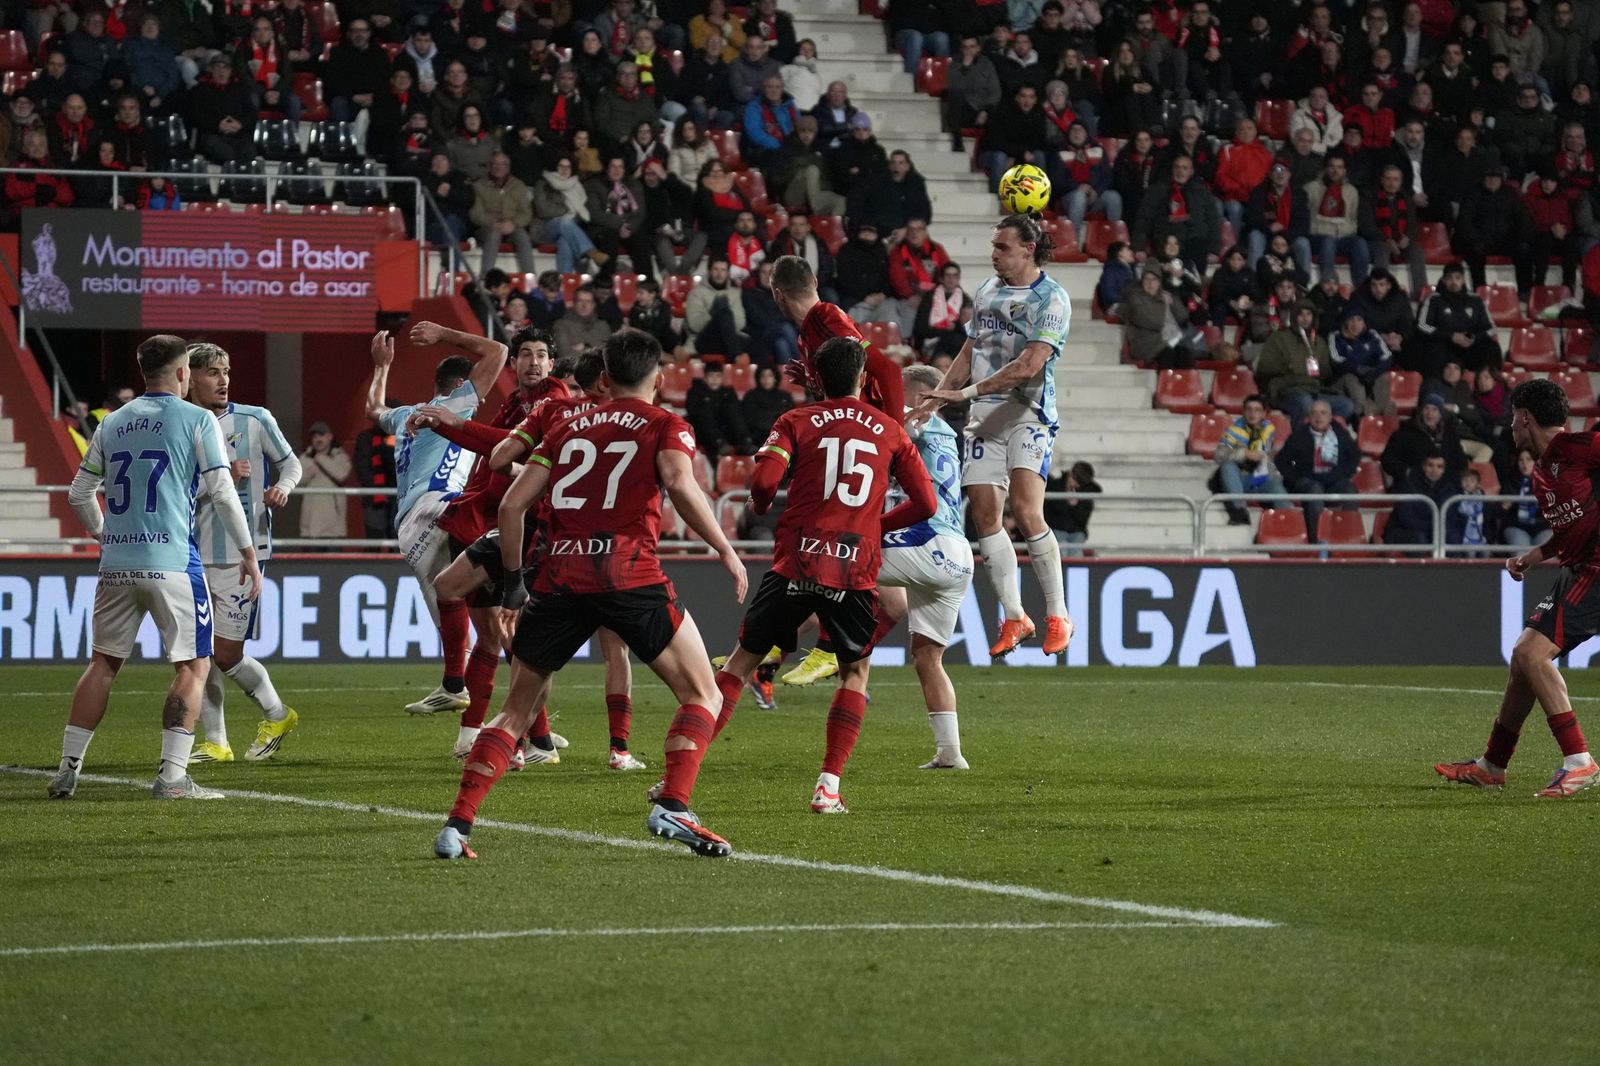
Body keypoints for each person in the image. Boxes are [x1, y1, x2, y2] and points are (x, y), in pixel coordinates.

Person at [434, 329, 750, 859]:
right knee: (704, 694)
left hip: (559, 577)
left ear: (603, 378)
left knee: (513, 714)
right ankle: (672, 804)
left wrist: (513, 586)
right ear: (661, 377)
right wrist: (725, 547)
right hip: (629, 573)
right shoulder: (666, 423)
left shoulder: (563, 423)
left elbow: (511, 506)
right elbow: (677, 481)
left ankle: (457, 826)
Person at [712, 337, 936, 812]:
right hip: (854, 566)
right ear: (861, 379)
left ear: (816, 378)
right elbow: (926, 504)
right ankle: (828, 786)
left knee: (739, 664)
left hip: (798, 559)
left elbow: (764, 483)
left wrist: (757, 504)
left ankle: (679, 773)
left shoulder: (795, 420)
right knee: (853, 673)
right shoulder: (891, 430)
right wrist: (875, 524)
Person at [51, 335, 262, 802]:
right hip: (172, 561)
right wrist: (248, 553)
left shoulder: (113, 422)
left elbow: (78, 494)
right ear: (184, 372)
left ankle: (67, 770)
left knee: (102, 664)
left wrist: (106, 536)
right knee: (194, 664)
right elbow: (224, 493)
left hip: (117, 564)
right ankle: (171, 778)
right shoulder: (198, 419)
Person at [400, 326, 574, 756]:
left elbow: (505, 448)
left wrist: (448, 422)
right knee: (495, 633)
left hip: (523, 527)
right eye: (526, 355)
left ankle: (460, 690)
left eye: (541, 355)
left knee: (494, 623)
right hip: (482, 517)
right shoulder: (517, 402)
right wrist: (442, 423)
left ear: (552, 363)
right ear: (514, 364)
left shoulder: (555, 401)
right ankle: (494, 735)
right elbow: (491, 451)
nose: (533, 362)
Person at [912, 215, 1073, 659]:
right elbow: (971, 349)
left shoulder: (1052, 299)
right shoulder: (986, 290)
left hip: (1028, 412)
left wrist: (961, 392)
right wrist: (940, 398)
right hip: (984, 415)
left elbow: (1027, 366)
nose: (994, 253)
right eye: (994, 245)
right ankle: (1015, 616)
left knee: (1024, 507)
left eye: (1002, 246)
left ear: (1028, 249)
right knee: (985, 515)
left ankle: (1058, 614)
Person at [364, 325, 507, 716]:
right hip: (441, 510)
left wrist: (382, 367)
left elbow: (373, 409)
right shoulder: (454, 407)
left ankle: (475, 699)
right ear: (461, 385)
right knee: (494, 620)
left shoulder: (406, 414)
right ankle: (472, 693)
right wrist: (444, 333)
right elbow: (497, 351)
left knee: (472, 621)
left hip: (411, 526)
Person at [184, 343, 304, 764]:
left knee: (225, 653)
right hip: (192, 553)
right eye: (214, 372)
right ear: (190, 376)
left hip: (242, 552)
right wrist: (219, 477)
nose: (223, 380)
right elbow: (175, 491)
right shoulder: (182, 424)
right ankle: (216, 742)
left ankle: (277, 713)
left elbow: (292, 464)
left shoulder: (255, 419)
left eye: (226, 371)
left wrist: (282, 488)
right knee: (202, 653)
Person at [869, 363, 975, 767]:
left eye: (904, 392)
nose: (897, 401)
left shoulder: (920, 421)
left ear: (922, 396)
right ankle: (951, 753)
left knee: (833, 560)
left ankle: (805, 649)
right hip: (958, 553)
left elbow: (884, 431)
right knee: (928, 657)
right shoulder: (947, 435)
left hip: (928, 540)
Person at [1254, 300, 1355, 424]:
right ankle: (1301, 440)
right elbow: (1264, 367)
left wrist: (1320, 371)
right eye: (1301, 314)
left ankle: (1325, 439)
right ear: (1294, 317)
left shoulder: (1319, 342)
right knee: (1305, 403)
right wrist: (1292, 370)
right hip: (1286, 390)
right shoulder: (1279, 338)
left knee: (1346, 405)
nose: (1305, 318)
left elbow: (1326, 372)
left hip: (1313, 390)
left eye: (1309, 314)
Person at [1276, 398, 1360, 537]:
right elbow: (1281, 461)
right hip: (1308, 480)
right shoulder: (1299, 436)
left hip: (1333, 480)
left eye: (1323, 413)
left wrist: (1343, 474)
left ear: (1330, 417)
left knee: (1350, 490)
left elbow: (1355, 456)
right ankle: (1317, 539)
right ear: (1309, 417)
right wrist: (1296, 479)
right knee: (1315, 491)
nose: (1318, 417)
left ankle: (1348, 537)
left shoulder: (1341, 434)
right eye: (1314, 413)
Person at [1415, 262, 1502, 377]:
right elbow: (1422, 325)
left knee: (1492, 348)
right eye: (1450, 278)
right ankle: (1435, 387)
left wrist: (1474, 338)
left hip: (1470, 347)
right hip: (1444, 345)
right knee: (1431, 349)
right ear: (1444, 280)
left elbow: (1491, 328)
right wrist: (1451, 336)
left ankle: (1489, 386)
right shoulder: (1434, 299)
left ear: (1463, 280)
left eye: (1457, 278)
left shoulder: (1475, 299)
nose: (1454, 282)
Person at [1213, 394, 1285, 524]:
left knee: (1276, 485)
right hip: (1240, 479)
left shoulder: (1269, 429)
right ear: (1244, 411)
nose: (1252, 413)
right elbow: (1219, 456)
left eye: (1257, 410)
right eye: (1249, 409)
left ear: (1263, 413)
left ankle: (1288, 522)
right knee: (1227, 467)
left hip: (1260, 478)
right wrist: (1244, 453)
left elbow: (1267, 456)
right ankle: (1239, 512)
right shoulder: (1233, 430)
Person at [471, 151, 536, 275]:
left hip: (512, 226)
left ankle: (530, 278)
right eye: (495, 164)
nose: (498, 167)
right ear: (490, 166)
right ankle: (486, 278)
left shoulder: (518, 185)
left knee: (523, 237)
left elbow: (526, 213)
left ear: (508, 167)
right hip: (487, 228)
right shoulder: (479, 186)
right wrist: (494, 224)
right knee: (493, 235)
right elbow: (476, 214)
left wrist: (513, 223)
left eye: (502, 164)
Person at [298, 421, 352, 543]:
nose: (318, 439)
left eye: (321, 435)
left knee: (333, 562)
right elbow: (295, 481)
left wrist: (320, 458)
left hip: (333, 528)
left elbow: (341, 475)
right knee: (310, 562)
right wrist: (308, 474)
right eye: (314, 437)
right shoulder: (304, 458)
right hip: (310, 526)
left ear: (330, 437)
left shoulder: (340, 457)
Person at [686, 357, 752, 455]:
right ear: (705, 378)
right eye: (711, 376)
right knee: (704, 410)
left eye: (718, 376)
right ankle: (719, 442)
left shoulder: (728, 392)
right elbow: (692, 412)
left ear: (722, 378)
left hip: (726, 430)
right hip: (704, 432)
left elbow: (736, 413)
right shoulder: (695, 392)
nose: (715, 380)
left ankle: (745, 441)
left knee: (732, 408)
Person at [684, 259, 750, 357]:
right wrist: (713, 313)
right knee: (723, 313)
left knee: (754, 341)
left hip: (728, 340)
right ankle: (736, 357)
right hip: (705, 339)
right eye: (716, 269)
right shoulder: (696, 293)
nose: (719, 274)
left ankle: (736, 356)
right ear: (709, 271)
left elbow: (741, 323)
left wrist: (723, 320)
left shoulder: (735, 293)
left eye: (723, 270)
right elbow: (695, 325)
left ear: (728, 273)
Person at [1500, 446, 1552, 548]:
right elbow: (1499, 514)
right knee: (1522, 556)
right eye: (1521, 460)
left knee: (1546, 557)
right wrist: (1504, 508)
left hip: (1543, 527)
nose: (1524, 464)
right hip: (1516, 526)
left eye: (1528, 459)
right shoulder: (1511, 482)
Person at [1044, 459, 1098, 557]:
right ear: (1071, 475)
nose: (1077, 486)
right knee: (1062, 552)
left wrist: (1075, 506)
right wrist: (1065, 502)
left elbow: (1083, 519)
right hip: (1057, 529)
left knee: (1076, 553)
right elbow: (1049, 513)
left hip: (1077, 531)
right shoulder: (1056, 486)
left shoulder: (1086, 491)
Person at [741, 364, 793, 443]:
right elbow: (752, 418)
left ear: (775, 378)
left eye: (770, 376)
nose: (766, 379)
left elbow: (789, 419)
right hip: (756, 437)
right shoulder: (751, 396)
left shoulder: (785, 396)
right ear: (758, 378)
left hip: (780, 437)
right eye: (763, 376)